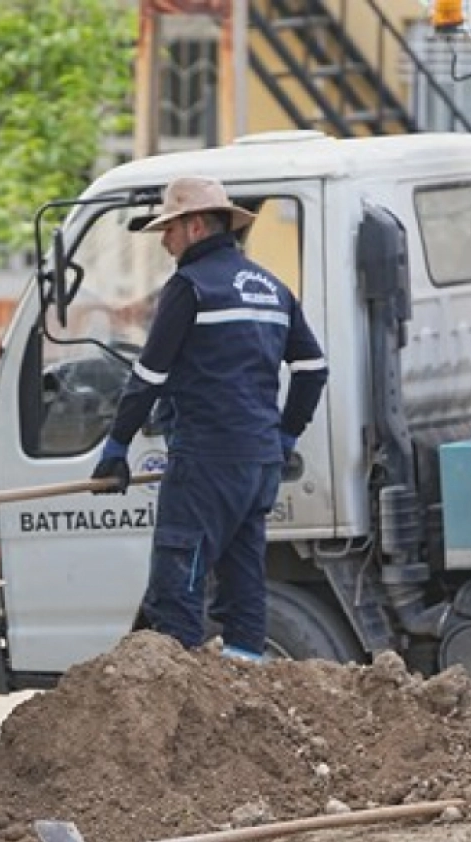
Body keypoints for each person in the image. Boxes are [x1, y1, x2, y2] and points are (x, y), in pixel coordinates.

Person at [92, 176, 329, 659]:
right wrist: (284, 437)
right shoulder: (271, 288)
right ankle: (242, 683)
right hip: (259, 463)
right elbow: (313, 370)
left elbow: (149, 375)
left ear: (196, 226)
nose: (164, 240)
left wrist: (116, 445)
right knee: (244, 588)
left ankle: (179, 707)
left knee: (176, 587)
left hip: (206, 463)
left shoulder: (189, 287)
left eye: (170, 229)